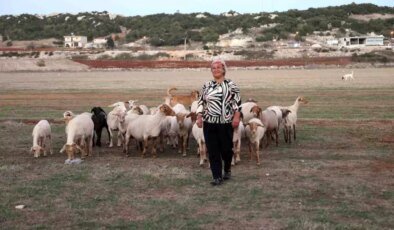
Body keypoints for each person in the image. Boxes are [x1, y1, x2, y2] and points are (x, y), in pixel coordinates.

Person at [196, 58, 242, 186]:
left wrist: (236, 117)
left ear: (223, 70)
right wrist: (199, 116)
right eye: (213, 68)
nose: (216, 70)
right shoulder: (206, 85)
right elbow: (201, 102)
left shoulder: (231, 85)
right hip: (209, 122)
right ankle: (216, 176)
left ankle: (227, 168)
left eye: (218, 67)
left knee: (227, 150)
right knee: (212, 149)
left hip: (225, 122)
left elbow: (237, 103)